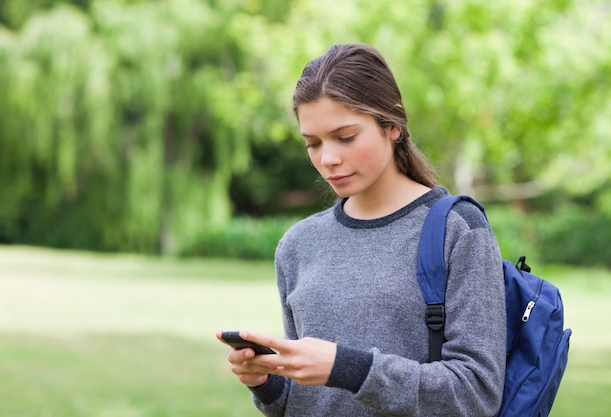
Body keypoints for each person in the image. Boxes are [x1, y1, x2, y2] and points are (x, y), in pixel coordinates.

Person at [216, 43, 506, 417]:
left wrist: (349, 368)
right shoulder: (299, 244)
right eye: (313, 143)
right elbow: (305, 402)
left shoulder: (457, 228)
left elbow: (475, 393)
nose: (328, 159)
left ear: (393, 125)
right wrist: (268, 382)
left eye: (345, 137)